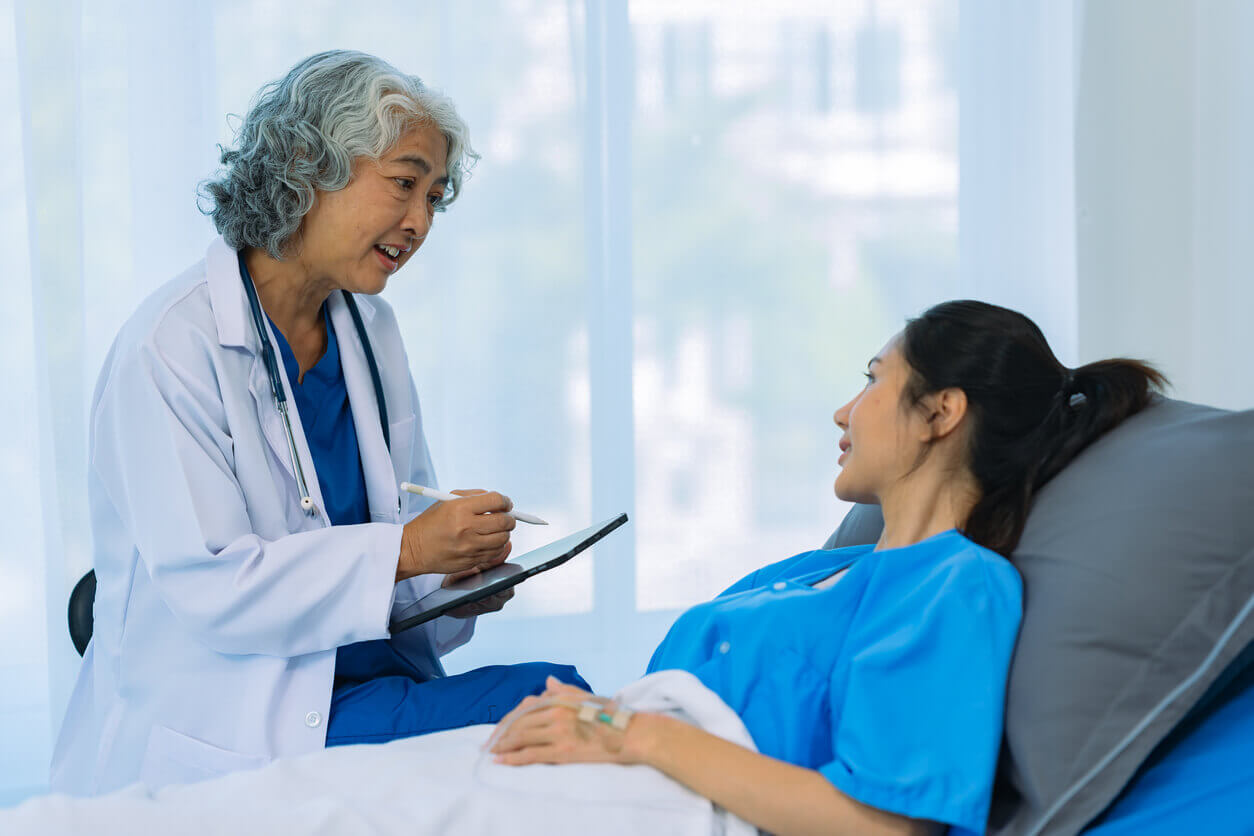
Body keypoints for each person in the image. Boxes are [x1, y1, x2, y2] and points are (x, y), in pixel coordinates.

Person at [51, 50, 587, 797]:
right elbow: (217, 589)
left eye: (436, 196)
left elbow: (397, 552)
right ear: (308, 165)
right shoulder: (170, 348)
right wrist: (407, 551)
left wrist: (451, 578)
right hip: (236, 725)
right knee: (558, 711)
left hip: (359, 684)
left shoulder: (370, 329)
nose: (421, 221)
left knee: (565, 710)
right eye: (405, 183)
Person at [487, 301, 1167, 836]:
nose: (845, 410)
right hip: (596, 781)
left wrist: (626, 731)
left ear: (940, 411)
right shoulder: (821, 570)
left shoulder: (958, 587)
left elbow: (882, 823)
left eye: (873, 379)